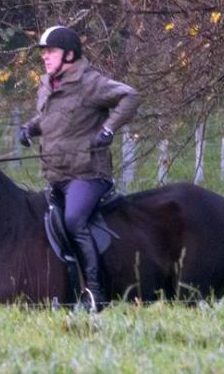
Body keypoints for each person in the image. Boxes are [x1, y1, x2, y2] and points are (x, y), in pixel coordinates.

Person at [19, 25, 140, 311]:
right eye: (44, 52)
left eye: (51, 51)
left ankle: (96, 294)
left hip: (88, 174)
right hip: (56, 174)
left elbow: (130, 96)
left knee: (74, 220)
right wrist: (29, 128)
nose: (45, 57)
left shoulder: (91, 83)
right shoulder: (48, 83)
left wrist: (109, 129)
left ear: (70, 55)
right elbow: (47, 117)